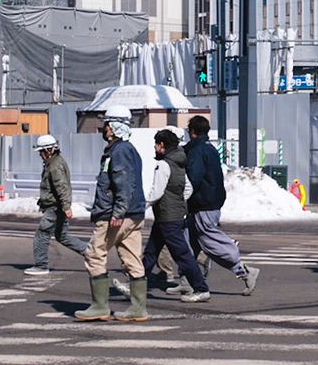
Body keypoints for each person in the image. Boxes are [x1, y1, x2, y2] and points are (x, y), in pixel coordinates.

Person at [77, 106, 150, 321]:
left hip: (117, 214)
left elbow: (123, 183)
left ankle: (100, 306)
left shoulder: (119, 151)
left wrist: (117, 212)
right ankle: (138, 309)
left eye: (106, 124)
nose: (104, 128)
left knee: (94, 254)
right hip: (134, 214)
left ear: (115, 126)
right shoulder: (129, 150)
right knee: (131, 258)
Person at [183, 116, 259, 293]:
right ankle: (186, 279)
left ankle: (243, 269)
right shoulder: (209, 149)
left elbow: (194, 178)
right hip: (208, 202)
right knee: (188, 240)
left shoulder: (196, 151)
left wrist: (182, 195)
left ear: (192, 132)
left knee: (208, 239)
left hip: (203, 203)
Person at [141, 128, 210, 302]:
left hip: (168, 217)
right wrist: (178, 202)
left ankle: (201, 288)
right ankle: (136, 283)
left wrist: (142, 205)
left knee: (182, 254)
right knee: (151, 251)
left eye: (156, 144)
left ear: (162, 145)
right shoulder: (178, 163)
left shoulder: (164, 164)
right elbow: (188, 188)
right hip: (172, 214)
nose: (155, 148)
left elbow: (156, 192)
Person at [30, 133, 90, 276]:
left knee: (41, 235)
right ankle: (91, 253)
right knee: (61, 235)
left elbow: (61, 186)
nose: (40, 155)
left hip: (54, 208)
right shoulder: (54, 162)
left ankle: (41, 265)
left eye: (41, 152)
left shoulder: (55, 165)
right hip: (57, 207)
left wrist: (66, 207)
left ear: (48, 150)